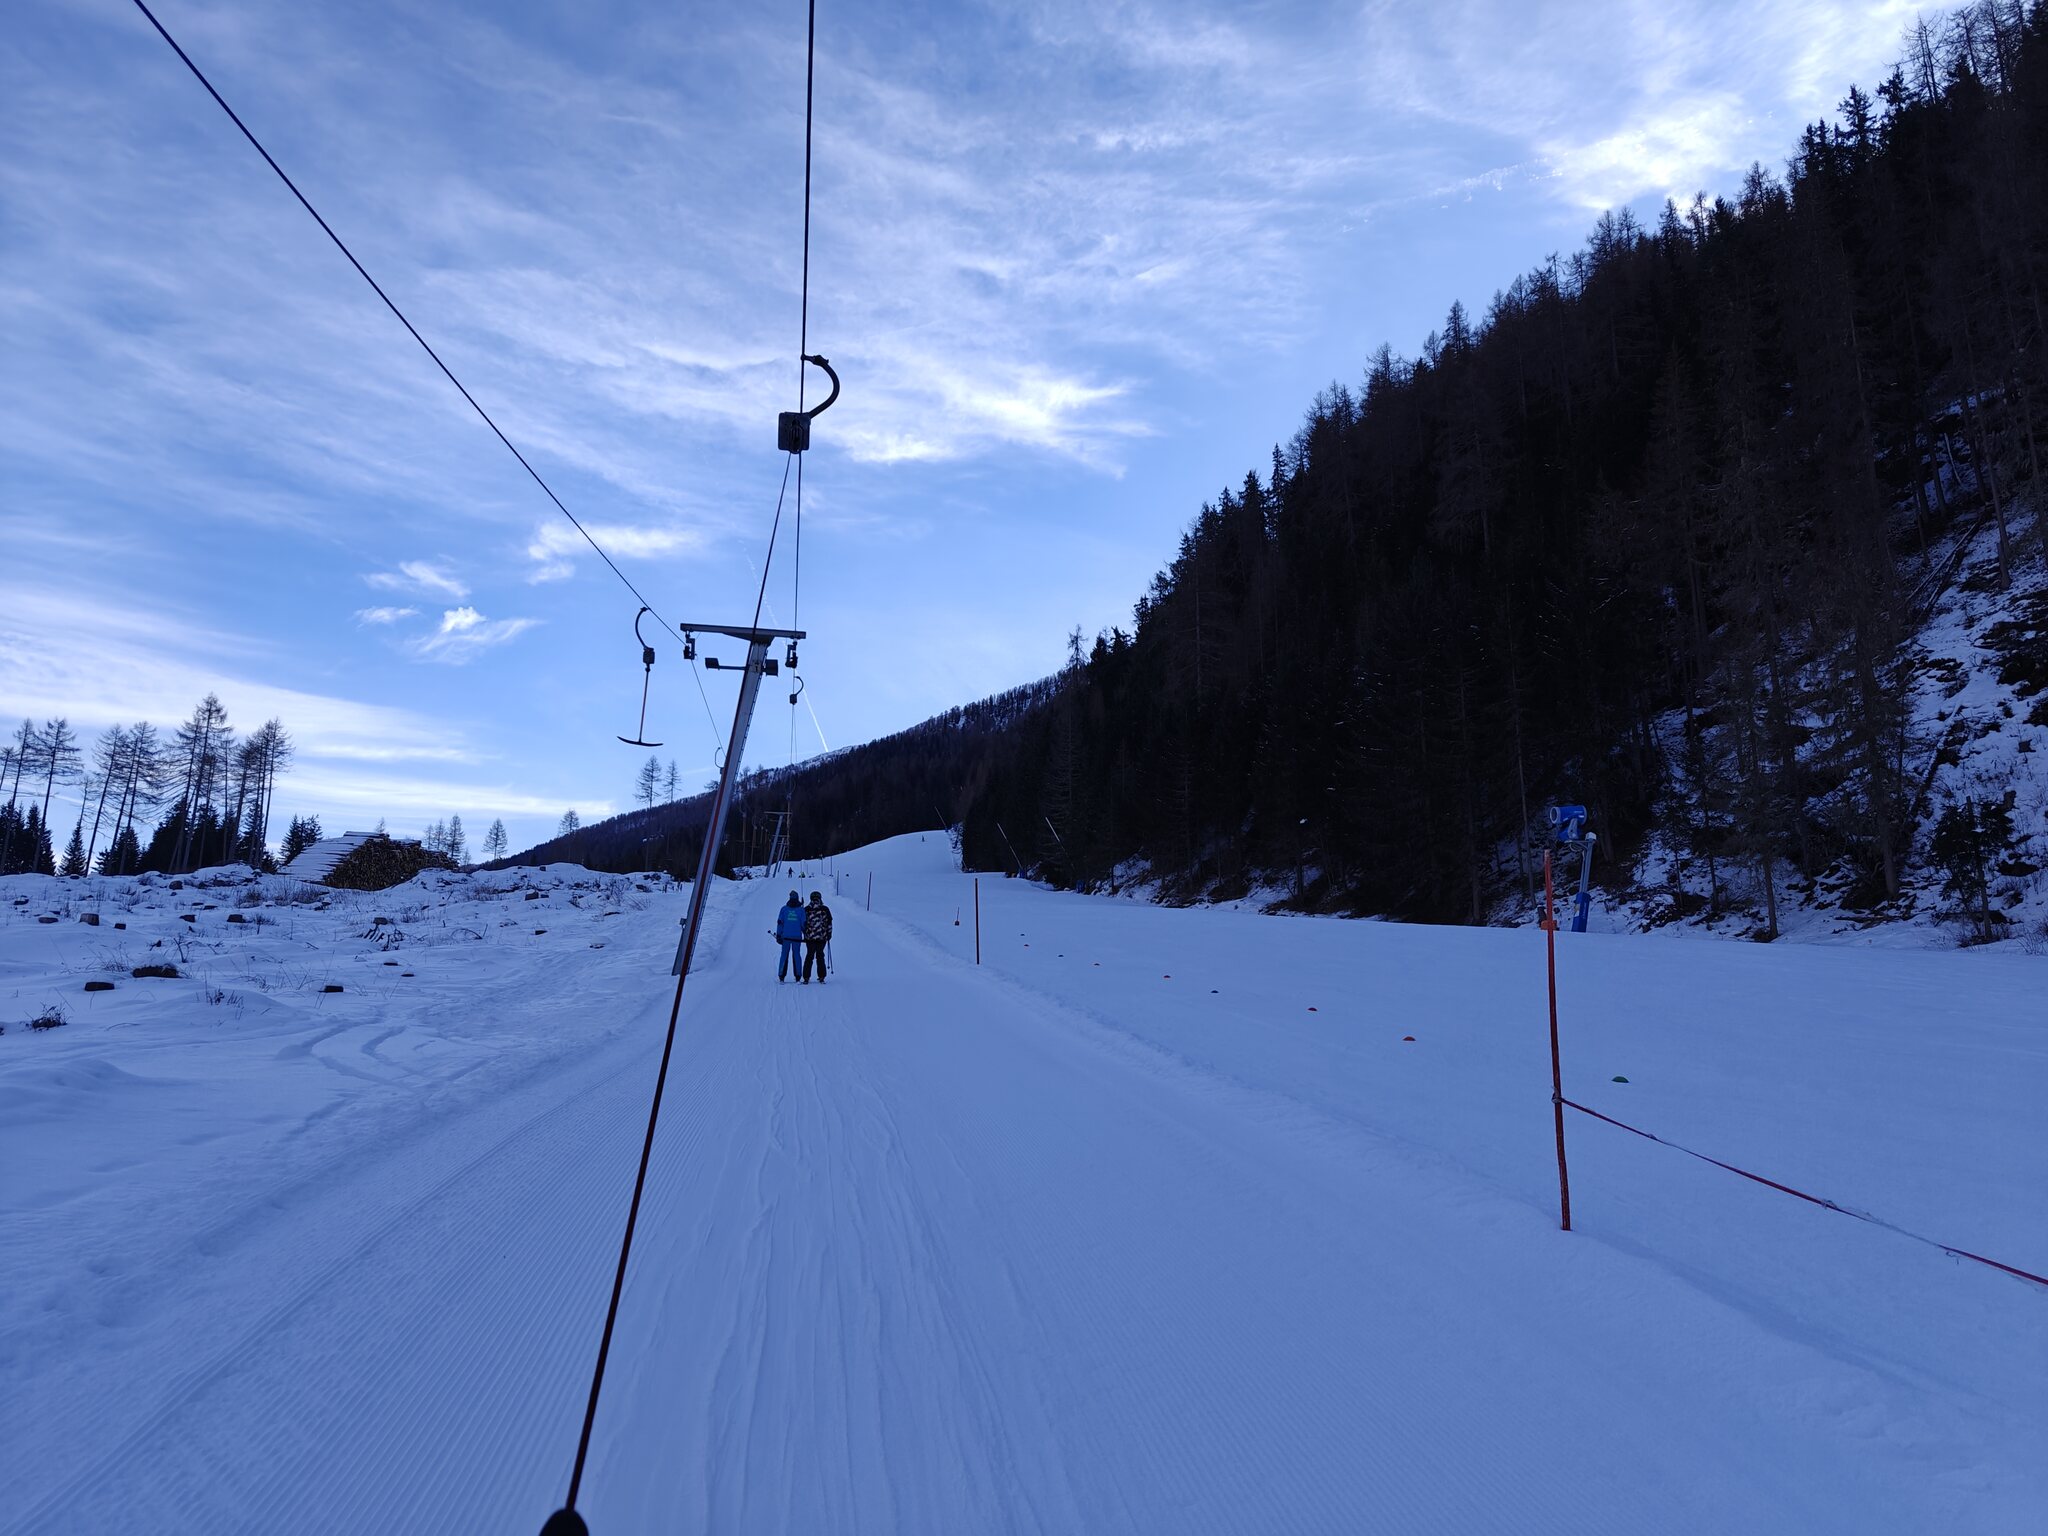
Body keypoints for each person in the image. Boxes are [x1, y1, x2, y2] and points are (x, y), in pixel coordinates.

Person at [801, 890, 833, 983]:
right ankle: (821, 976)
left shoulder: (806, 909)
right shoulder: (825, 909)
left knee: (809, 956)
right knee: (820, 956)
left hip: (810, 938)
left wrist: (805, 933)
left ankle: (806, 977)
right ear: (820, 898)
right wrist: (829, 934)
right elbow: (829, 923)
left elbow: (803, 924)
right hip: (822, 938)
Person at [774, 890, 804, 982]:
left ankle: (781, 975)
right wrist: (806, 935)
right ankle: (798, 976)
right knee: (796, 955)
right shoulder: (801, 910)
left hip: (785, 937)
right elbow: (804, 924)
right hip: (797, 937)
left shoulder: (784, 909)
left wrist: (779, 935)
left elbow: (780, 923)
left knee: (784, 955)